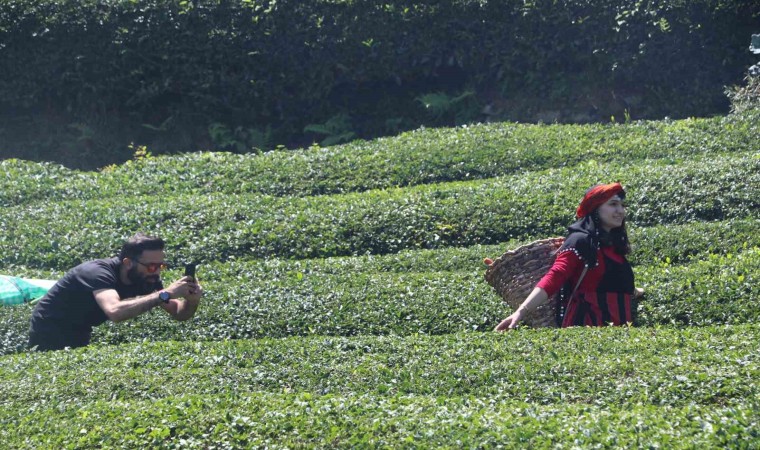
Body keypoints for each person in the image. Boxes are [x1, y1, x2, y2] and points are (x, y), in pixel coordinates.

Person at [495, 182, 644, 331]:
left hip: (619, 328)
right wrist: (521, 312)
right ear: (595, 208)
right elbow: (556, 275)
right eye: (613, 204)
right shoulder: (580, 240)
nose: (620, 211)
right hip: (588, 327)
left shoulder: (612, 246)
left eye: (622, 205)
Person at [28, 233, 203, 351]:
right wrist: (165, 294)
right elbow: (115, 311)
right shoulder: (97, 272)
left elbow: (178, 313)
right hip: (50, 327)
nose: (156, 271)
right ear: (127, 263)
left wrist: (191, 300)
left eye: (160, 266)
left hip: (82, 329)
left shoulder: (147, 277)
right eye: (151, 266)